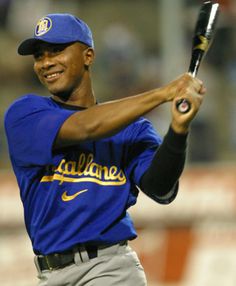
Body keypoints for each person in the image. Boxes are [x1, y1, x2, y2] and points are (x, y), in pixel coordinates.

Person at [4, 13, 205, 286]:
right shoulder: (25, 114)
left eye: (57, 50)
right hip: (49, 274)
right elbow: (86, 127)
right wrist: (164, 93)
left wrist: (179, 132)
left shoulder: (132, 129)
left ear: (88, 56)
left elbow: (161, 189)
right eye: (39, 55)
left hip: (110, 269)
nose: (46, 62)